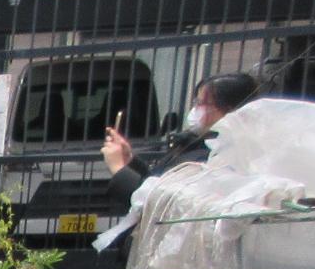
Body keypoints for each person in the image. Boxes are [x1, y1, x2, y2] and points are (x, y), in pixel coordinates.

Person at [102, 71, 258, 201]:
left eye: (203, 103)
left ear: (228, 112)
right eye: (196, 101)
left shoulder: (217, 157)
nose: (196, 109)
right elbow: (156, 181)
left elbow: (156, 203)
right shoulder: (195, 142)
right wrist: (130, 160)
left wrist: (119, 169)